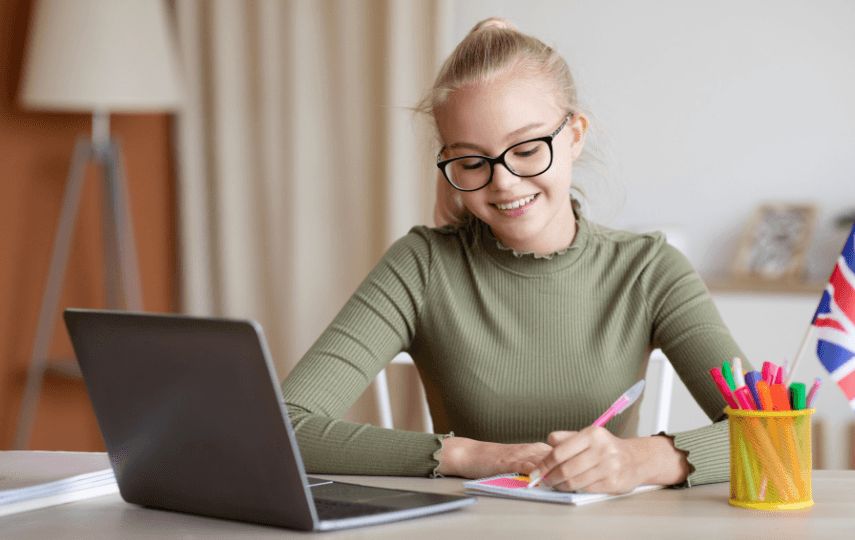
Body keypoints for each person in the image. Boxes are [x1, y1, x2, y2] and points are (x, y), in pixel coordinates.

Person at [282, 18, 749, 495]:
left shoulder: (650, 271)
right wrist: (470, 454)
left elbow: (776, 431)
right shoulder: (420, 266)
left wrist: (640, 460)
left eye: (526, 149)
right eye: (470, 162)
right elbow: (285, 427)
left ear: (576, 135)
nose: (502, 182)